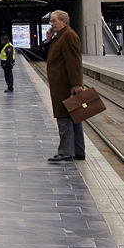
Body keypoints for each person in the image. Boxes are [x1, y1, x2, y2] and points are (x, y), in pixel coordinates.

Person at [44, 10, 85, 162]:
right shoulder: (60, 36)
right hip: (62, 84)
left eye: (54, 21)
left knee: (64, 117)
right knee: (74, 116)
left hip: (65, 85)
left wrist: (76, 84)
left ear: (63, 21)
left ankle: (66, 151)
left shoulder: (68, 35)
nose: (52, 24)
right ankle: (78, 150)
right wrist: (48, 40)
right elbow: (51, 56)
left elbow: (74, 61)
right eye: (51, 21)